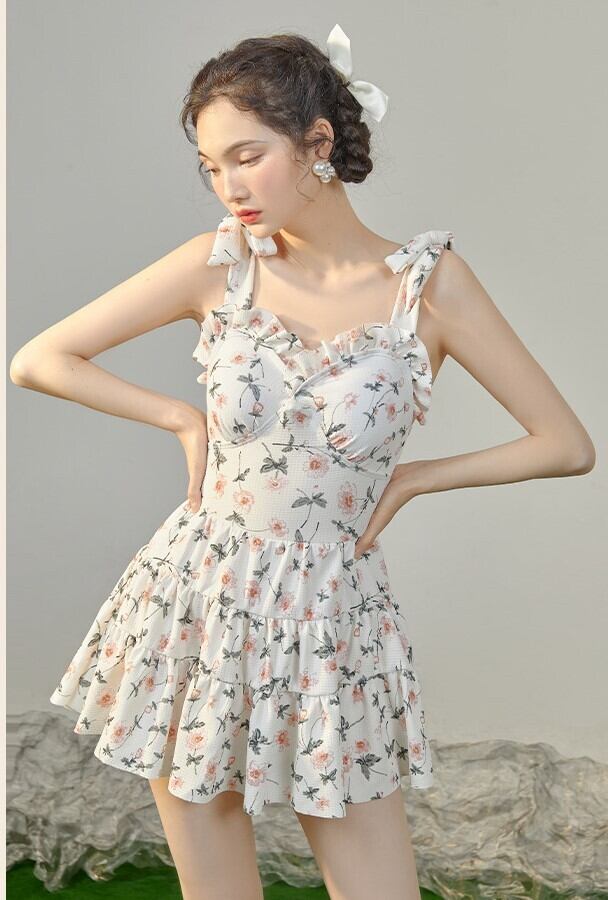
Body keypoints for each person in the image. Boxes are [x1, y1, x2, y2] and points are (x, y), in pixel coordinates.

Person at [10, 22, 595, 900]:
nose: (229, 187)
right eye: (211, 166)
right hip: (199, 598)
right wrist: (179, 417)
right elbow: (38, 359)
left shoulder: (429, 287)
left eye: (247, 157)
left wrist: (416, 477)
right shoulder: (219, 265)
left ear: (317, 144)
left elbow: (565, 444)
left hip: (332, 615)